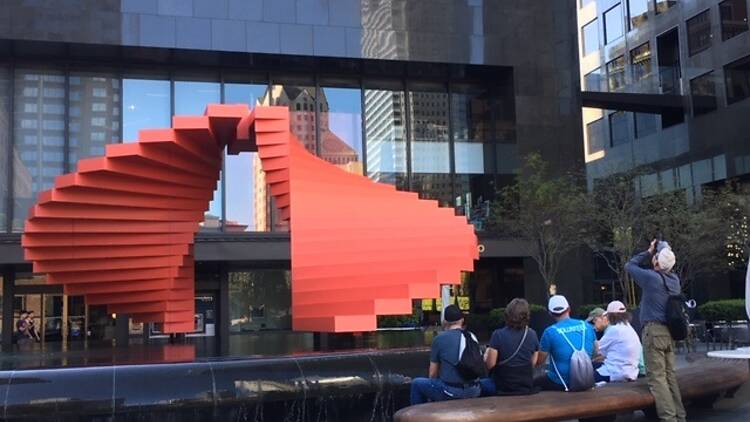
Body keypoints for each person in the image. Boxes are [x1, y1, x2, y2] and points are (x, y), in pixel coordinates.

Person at [625, 240, 686, 422]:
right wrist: (661, 250)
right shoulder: (674, 281)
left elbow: (629, 265)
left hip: (654, 331)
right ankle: (680, 416)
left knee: (657, 379)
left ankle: (669, 419)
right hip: (669, 332)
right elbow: (666, 257)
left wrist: (648, 251)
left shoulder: (651, 278)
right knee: (670, 376)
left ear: (657, 262)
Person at [410, 304, 481, 405]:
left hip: (451, 392)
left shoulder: (439, 339)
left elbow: (433, 374)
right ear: (462, 320)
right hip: (474, 390)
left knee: (417, 383)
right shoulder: (472, 336)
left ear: (445, 322)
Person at [535, 295, 597, 391]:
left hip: (560, 383)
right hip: (586, 379)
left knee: (533, 383)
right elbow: (596, 351)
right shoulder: (586, 325)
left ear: (550, 313)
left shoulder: (549, 332)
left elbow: (540, 361)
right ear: (569, 309)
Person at [480, 298, 539, 396]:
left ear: (507, 314)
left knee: (477, 385)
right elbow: (533, 362)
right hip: (525, 387)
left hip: (502, 386)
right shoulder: (532, 334)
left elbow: (490, 365)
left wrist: (486, 355)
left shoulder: (497, 335)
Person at [594, 301, 642, 383]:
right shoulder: (629, 328)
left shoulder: (615, 330)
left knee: (584, 374)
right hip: (631, 372)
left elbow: (596, 350)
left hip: (614, 372)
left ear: (611, 316)